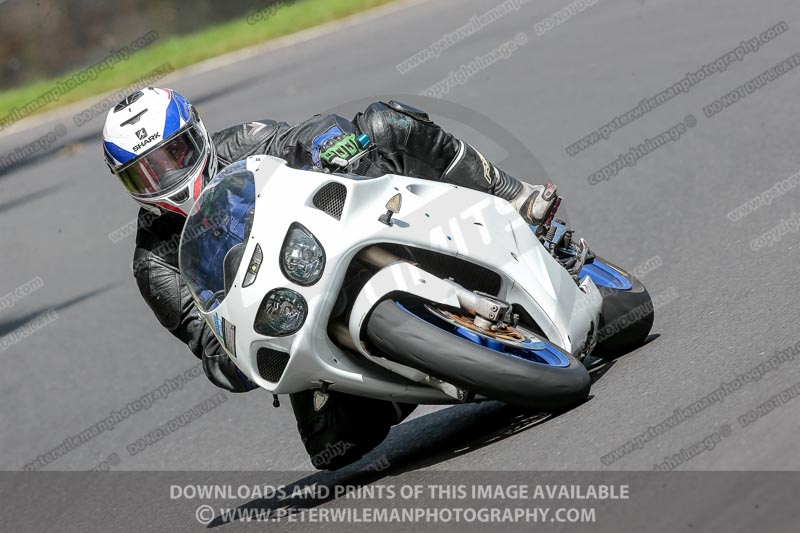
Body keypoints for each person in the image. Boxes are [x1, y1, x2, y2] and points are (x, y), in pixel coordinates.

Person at [102, 87, 559, 469]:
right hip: (291, 314)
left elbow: (303, 135)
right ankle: (408, 373)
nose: (167, 177)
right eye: (145, 174)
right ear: (127, 185)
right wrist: (235, 357)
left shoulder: (243, 143)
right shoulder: (154, 263)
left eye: (174, 154)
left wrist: (332, 144)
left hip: (335, 234)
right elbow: (208, 347)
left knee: (384, 122)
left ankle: (512, 196)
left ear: (197, 134)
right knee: (334, 445)